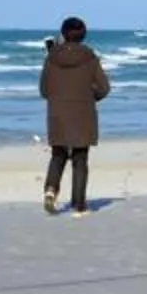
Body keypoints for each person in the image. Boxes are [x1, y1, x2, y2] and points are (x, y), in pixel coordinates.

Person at [37, 16, 109, 214]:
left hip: (57, 113)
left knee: (58, 154)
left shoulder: (51, 58)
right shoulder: (90, 57)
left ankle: (51, 190)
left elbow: (44, 90)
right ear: (83, 35)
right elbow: (104, 88)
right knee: (80, 158)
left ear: (63, 33)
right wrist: (89, 97)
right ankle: (79, 205)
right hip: (83, 113)